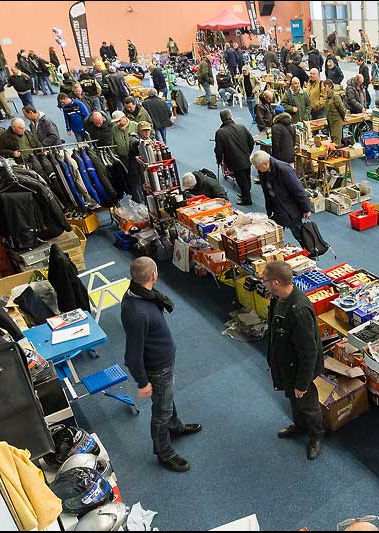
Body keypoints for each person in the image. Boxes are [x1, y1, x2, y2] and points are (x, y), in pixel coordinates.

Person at [121, 257, 201, 473]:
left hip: (163, 361)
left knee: (167, 399)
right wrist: (143, 382)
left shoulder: (138, 293)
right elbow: (131, 355)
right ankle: (164, 453)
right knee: (161, 412)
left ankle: (175, 427)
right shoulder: (138, 313)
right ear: (154, 276)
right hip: (157, 368)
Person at [262, 259, 324, 461]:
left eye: (265, 280)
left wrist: (303, 383)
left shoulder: (298, 311)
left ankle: (316, 436)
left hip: (300, 370)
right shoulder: (278, 299)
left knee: (307, 403)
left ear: (276, 283)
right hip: (286, 366)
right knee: (292, 398)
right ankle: (299, 426)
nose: (263, 283)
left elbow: (309, 352)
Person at [251, 151, 312, 242]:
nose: (257, 169)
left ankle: (310, 254)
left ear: (266, 163)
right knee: (276, 236)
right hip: (276, 209)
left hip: (290, 209)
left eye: (258, 167)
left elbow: (298, 190)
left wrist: (306, 209)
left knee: (300, 235)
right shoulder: (263, 171)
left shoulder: (284, 169)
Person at [215, 109, 256, 206]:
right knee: (246, 177)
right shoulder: (241, 127)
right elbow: (251, 141)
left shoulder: (220, 132)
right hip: (246, 157)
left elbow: (218, 150)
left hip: (234, 161)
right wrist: (248, 153)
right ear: (231, 116)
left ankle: (247, 199)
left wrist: (219, 160)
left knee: (241, 180)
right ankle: (245, 194)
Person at [324, 79, 348, 145]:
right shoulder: (327, 97)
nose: (324, 88)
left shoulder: (335, 97)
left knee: (337, 141)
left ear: (330, 86)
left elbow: (341, 109)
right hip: (331, 122)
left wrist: (343, 117)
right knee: (333, 141)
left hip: (336, 121)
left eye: (325, 86)